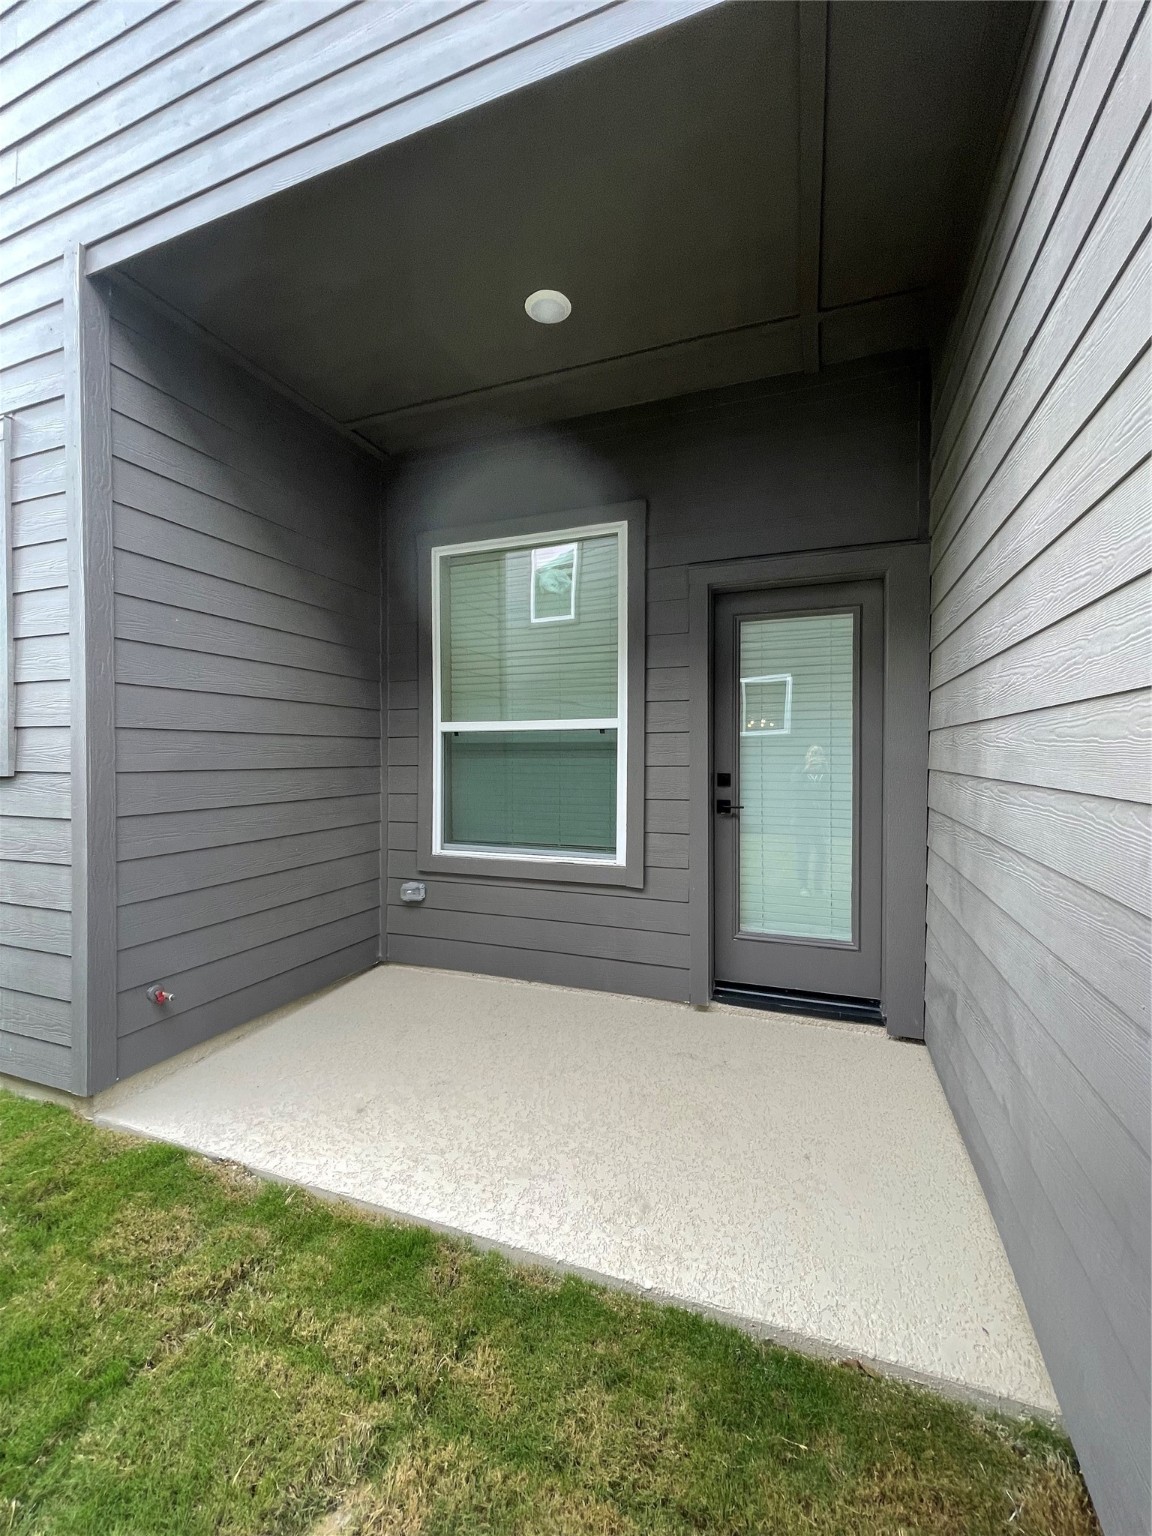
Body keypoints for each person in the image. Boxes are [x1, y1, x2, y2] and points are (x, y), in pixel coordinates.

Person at [793, 744, 830, 898]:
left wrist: (826, 769)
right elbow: (793, 788)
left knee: (822, 852)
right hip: (801, 818)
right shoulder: (799, 770)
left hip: (818, 819)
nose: (815, 757)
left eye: (818, 754)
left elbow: (830, 790)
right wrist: (806, 769)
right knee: (803, 852)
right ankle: (803, 887)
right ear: (807, 756)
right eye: (812, 754)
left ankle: (818, 887)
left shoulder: (824, 772)